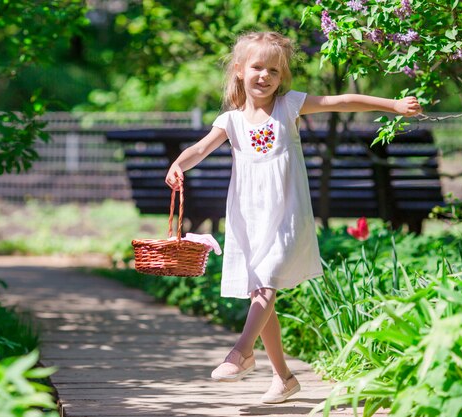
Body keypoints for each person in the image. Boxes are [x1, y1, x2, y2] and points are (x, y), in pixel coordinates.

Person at [164, 31, 422, 404]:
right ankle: (283, 378)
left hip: (287, 212)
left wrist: (392, 104)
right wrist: (178, 165)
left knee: (267, 282)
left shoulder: (289, 106)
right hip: (249, 217)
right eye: (257, 67)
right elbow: (200, 148)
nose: (265, 76)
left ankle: (241, 352)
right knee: (260, 293)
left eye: (273, 70)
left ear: (282, 76)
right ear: (239, 70)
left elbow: (341, 100)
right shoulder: (231, 121)